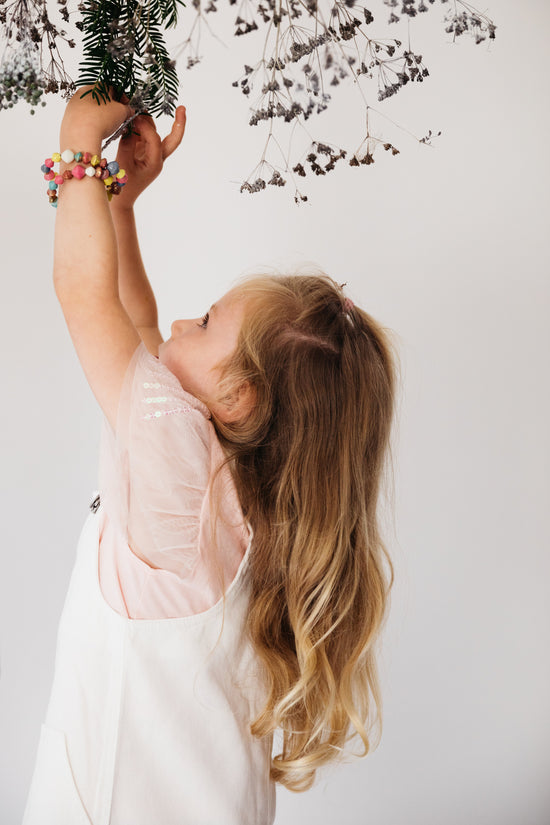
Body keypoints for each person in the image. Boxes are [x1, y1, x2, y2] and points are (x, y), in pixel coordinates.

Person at [23, 85, 399, 825]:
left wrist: (75, 148)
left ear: (240, 399)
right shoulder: (245, 486)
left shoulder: (176, 460)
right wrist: (120, 208)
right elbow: (134, 322)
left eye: (203, 322)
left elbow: (85, 297)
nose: (176, 321)